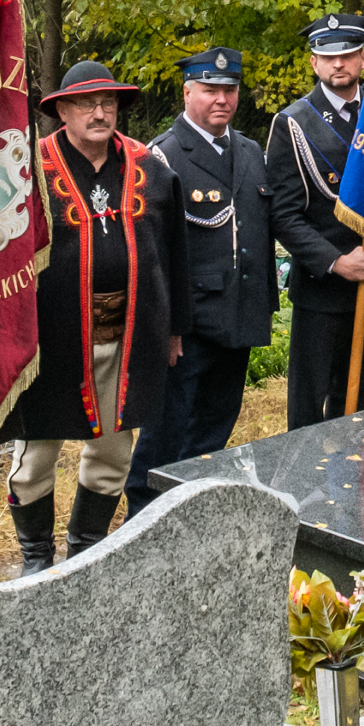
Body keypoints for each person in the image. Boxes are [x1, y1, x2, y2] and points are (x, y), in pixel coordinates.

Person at [7, 60, 169, 567]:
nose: (100, 114)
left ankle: (86, 551)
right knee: (36, 455)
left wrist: (174, 329)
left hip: (128, 333)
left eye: (108, 104)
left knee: (113, 451)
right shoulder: (29, 172)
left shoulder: (150, 168)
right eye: (86, 105)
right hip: (51, 339)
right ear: (62, 112)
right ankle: (37, 555)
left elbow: (174, 255)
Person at [129, 49, 271, 508]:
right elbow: (151, 255)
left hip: (239, 315)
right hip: (188, 327)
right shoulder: (161, 157)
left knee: (214, 431)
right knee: (165, 437)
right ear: (187, 91)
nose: (221, 99)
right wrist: (167, 327)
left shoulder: (250, 151)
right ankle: (142, 522)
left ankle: (191, 516)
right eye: (210, 89)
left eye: (229, 90)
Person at [269, 14, 364, 427]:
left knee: (359, 402)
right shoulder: (293, 122)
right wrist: (337, 262)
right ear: (314, 63)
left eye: (349, 55)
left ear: (362, 58)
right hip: (322, 288)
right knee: (308, 406)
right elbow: (283, 215)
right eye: (327, 56)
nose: (339, 64)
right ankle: (303, 488)